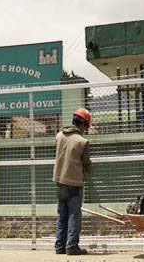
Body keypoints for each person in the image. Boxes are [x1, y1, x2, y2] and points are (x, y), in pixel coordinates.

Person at [52, 108, 92, 256]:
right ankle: (72, 246)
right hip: (74, 182)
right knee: (74, 214)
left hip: (59, 180)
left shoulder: (59, 136)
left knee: (62, 213)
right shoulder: (83, 141)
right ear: (85, 124)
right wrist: (89, 168)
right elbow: (86, 163)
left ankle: (60, 246)